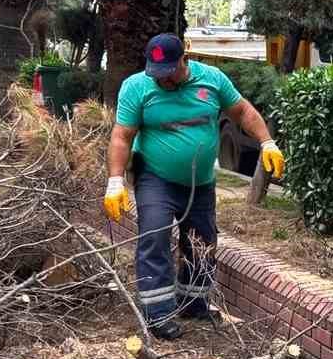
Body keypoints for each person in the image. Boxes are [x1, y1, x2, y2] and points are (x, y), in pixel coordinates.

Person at [102, 34, 286, 339]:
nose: (162, 79)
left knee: (202, 240)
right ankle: (158, 313)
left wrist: (266, 142)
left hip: (200, 183)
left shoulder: (212, 80)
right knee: (155, 235)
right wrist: (115, 180)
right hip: (155, 178)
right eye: (156, 73)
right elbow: (122, 136)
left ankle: (193, 303)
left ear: (184, 59)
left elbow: (242, 112)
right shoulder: (137, 87)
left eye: (168, 72)